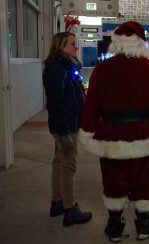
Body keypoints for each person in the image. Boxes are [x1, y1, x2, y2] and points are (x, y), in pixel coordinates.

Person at [79, 21, 149, 242]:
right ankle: (143, 225)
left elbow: (92, 104)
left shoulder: (102, 70)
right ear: (142, 43)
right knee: (146, 179)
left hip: (112, 135)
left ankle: (115, 225)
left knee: (113, 179)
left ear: (117, 43)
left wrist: (87, 131)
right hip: (146, 134)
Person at [42, 32, 92, 227]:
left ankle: (57, 202)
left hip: (68, 122)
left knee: (58, 162)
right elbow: (56, 103)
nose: (76, 47)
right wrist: (64, 132)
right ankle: (70, 209)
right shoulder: (56, 69)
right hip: (66, 125)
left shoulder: (64, 66)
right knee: (68, 165)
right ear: (60, 46)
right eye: (72, 44)